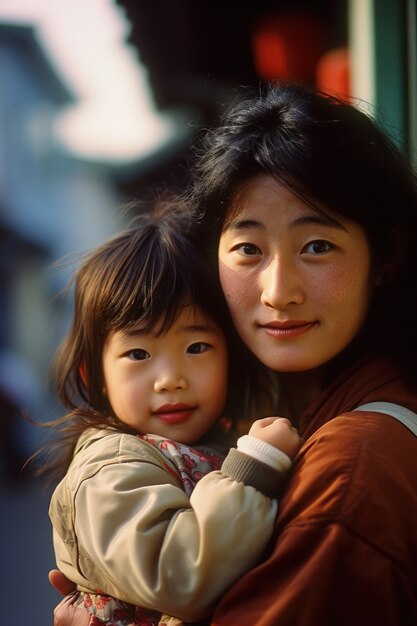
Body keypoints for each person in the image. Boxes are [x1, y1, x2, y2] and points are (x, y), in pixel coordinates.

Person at [53, 81, 417, 625]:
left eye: (317, 246)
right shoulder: (283, 422)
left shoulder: (350, 464)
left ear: (384, 255)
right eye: (247, 248)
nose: (277, 291)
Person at [47, 207, 302, 626]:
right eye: (138, 354)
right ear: (96, 377)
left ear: (231, 359)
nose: (170, 380)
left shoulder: (212, 440)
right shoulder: (110, 465)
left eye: (196, 347)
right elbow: (184, 576)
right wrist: (254, 467)